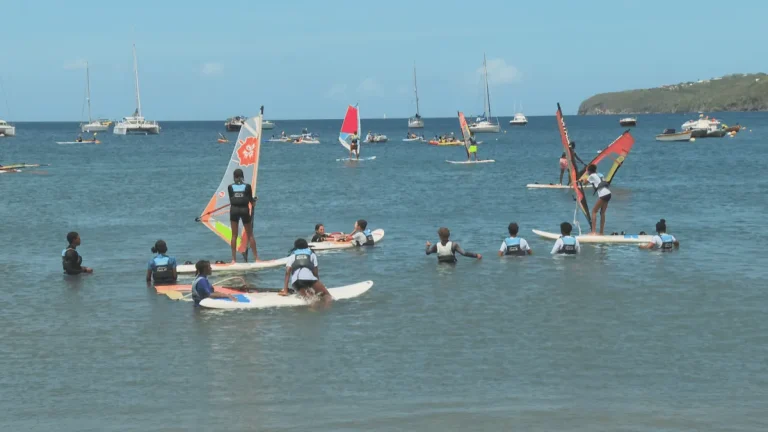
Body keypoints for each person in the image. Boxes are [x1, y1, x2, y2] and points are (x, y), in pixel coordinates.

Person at [228, 168, 259, 262]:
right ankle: (256, 259)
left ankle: (233, 259)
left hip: (234, 210)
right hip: (244, 210)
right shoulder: (247, 186)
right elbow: (251, 201)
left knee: (234, 235)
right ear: (242, 177)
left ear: (234, 177)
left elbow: (231, 199)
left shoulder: (230, 187)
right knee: (250, 235)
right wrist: (254, 201)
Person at [584, 164, 611, 235]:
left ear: (589, 171)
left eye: (587, 171)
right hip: (608, 193)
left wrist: (582, 179)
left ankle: (593, 232)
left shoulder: (591, 176)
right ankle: (601, 232)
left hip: (603, 194)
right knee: (602, 213)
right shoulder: (600, 174)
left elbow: (585, 182)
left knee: (594, 211)